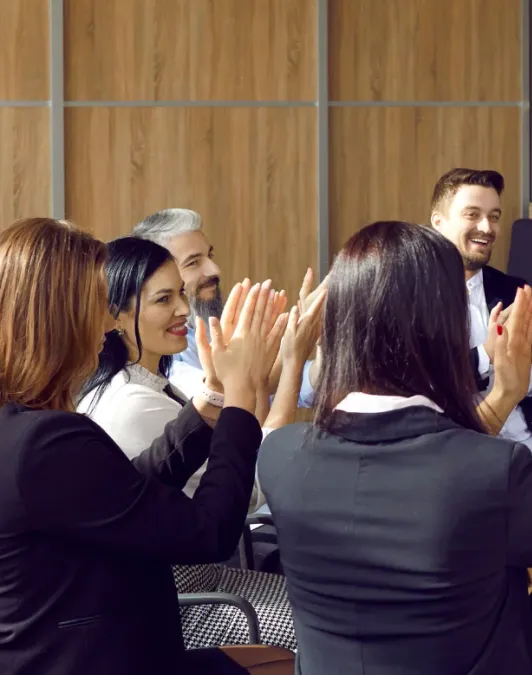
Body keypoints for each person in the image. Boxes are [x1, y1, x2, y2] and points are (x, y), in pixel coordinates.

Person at [258, 221, 532, 675]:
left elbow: (431, 455)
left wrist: (294, 358)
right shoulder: (494, 469)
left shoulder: (280, 458)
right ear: (448, 328)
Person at [0, 218, 286, 674]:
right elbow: (209, 531)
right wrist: (240, 397)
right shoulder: (44, 444)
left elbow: (130, 487)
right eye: (97, 303)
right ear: (60, 318)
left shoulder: (24, 431)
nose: (108, 321)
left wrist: (214, 395)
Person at [76, 237, 317, 652]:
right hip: (184, 602)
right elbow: (245, 492)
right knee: (328, 631)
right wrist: (290, 361)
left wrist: (236, 383)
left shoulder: (147, 385)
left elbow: (236, 443)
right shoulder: (132, 403)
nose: (185, 311)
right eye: (164, 299)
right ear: (115, 314)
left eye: (181, 294)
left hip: (210, 580)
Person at [132, 208, 320, 405]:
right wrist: (295, 342)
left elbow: (299, 384)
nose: (215, 270)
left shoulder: (210, 330)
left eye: (209, 256)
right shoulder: (163, 351)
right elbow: (227, 397)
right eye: (193, 262)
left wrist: (324, 339)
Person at [429, 168, 532, 451]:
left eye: (494, 217)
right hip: (457, 449)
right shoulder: (412, 294)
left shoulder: (514, 289)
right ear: (438, 222)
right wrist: (487, 355)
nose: (487, 227)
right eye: (472, 214)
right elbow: (426, 381)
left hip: (528, 443)